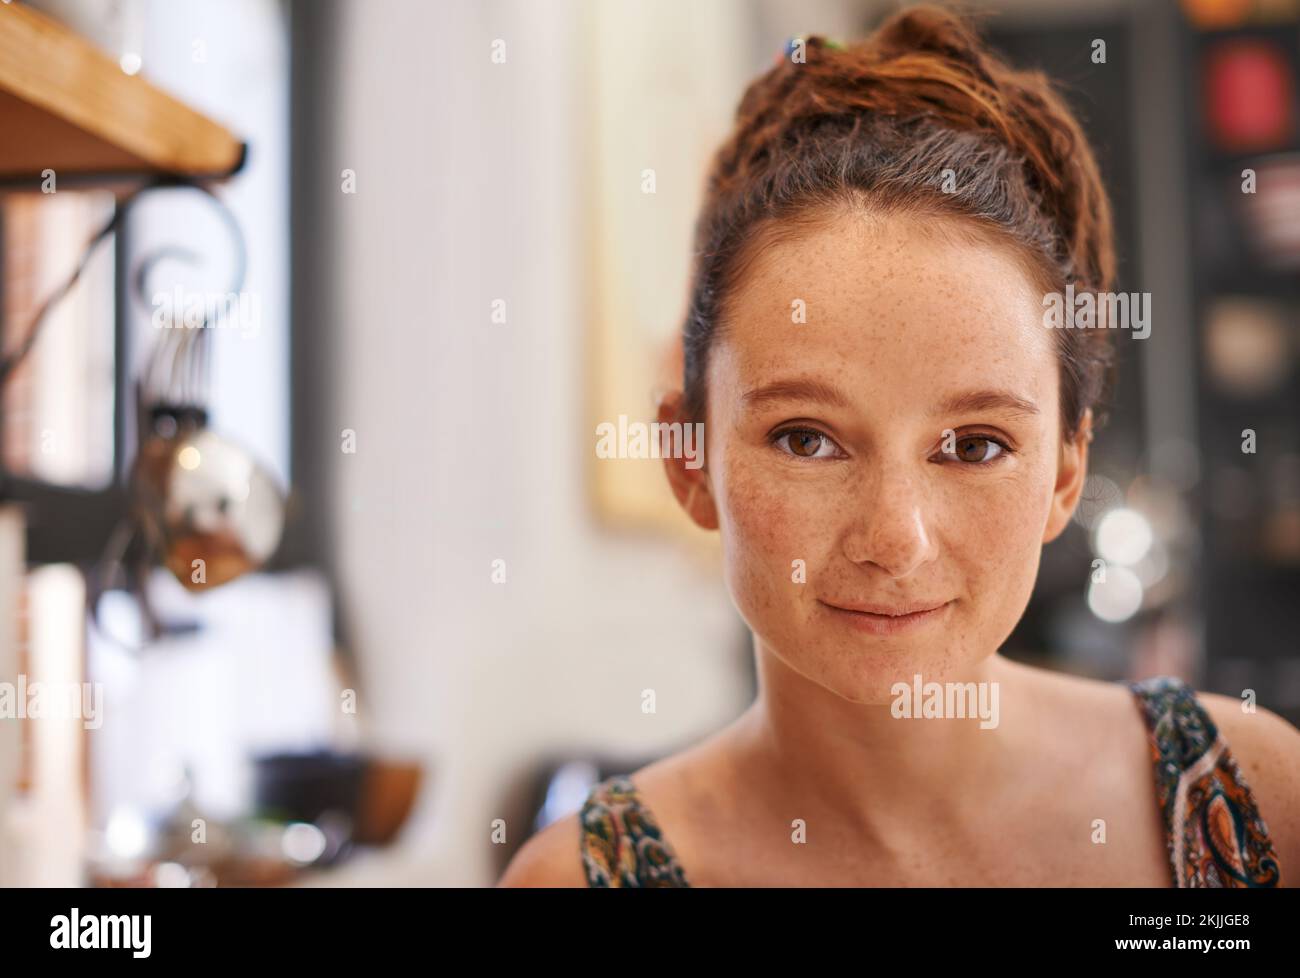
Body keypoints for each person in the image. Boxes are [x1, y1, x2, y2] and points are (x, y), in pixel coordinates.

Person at [500, 4, 1299, 887]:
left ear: (1066, 470)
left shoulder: (1254, 793)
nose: (894, 538)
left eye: (975, 445)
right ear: (690, 458)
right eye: (806, 439)